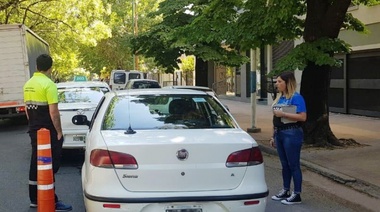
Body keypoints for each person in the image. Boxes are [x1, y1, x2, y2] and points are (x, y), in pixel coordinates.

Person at [23, 54, 72, 211]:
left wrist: (32, 125)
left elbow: (26, 109)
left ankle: (34, 199)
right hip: (48, 131)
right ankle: (51, 199)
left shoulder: (28, 84)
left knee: (35, 162)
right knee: (50, 164)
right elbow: (54, 112)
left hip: (34, 130)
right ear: (50, 68)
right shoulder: (49, 85)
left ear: (37, 66)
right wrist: (59, 131)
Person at [269, 71, 307, 205]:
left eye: (280, 82)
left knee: (293, 164)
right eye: (276, 81)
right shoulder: (279, 98)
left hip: (291, 133)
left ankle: (297, 193)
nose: (277, 84)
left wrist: (283, 113)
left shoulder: (296, 97)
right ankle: (286, 190)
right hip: (280, 133)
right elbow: (275, 118)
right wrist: (273, 136)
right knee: (284, 164)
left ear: (287, 83)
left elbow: (302, 117)